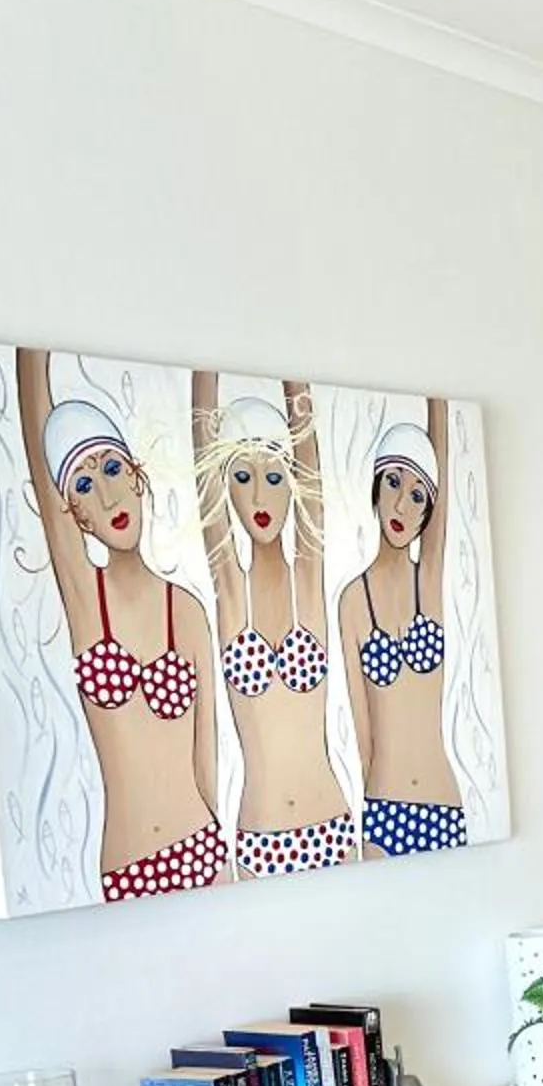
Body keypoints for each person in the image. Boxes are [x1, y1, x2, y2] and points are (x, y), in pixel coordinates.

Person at [12, 349, 226, 900]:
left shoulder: (188, 611)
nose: (105, 495)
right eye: (83, 486)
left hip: (203, 848)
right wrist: (29, 344)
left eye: (111, 469)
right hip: (126, 866)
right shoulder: (88, 602)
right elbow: (40, 456)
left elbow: (208, 764)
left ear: (137, 476)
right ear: (72, 514)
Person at [192, 374, 357, 876]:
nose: (260, 497)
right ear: (225, 490)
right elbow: (202, 446)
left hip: (332, 822)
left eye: (275, 476)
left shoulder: (308, 577)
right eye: (241, 478)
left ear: (293, 482)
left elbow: (310, 458)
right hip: (259, 835)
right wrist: (205, 372)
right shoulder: (229, 587)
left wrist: (294, 376)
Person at [339, 403, 468, 858]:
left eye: (417, 496)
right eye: (393, 482)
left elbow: (444, 466)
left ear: (428, 512)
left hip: (443, 802)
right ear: (375, 486)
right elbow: (362, 731)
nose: (400, 504)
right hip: (384, 808)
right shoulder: (353, 599)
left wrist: (440, 401)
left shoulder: (427, 582)